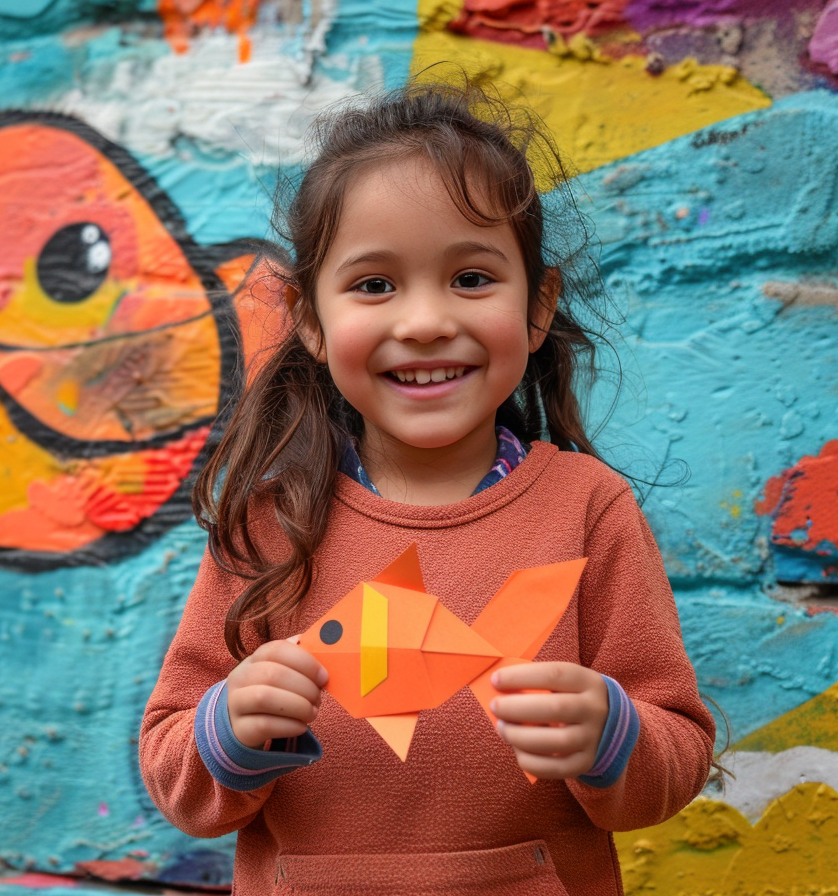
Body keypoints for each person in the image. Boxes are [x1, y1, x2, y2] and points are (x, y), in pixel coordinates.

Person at [139, 80, 714, 896]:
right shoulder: (271, 522)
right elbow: (176, 777)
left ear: (538, 306)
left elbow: (678, 756)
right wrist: (226, 730)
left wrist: (614, 736)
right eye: (374, 285)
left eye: (471, 278)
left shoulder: (589, 510)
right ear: (310, 320)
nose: (424, 322)